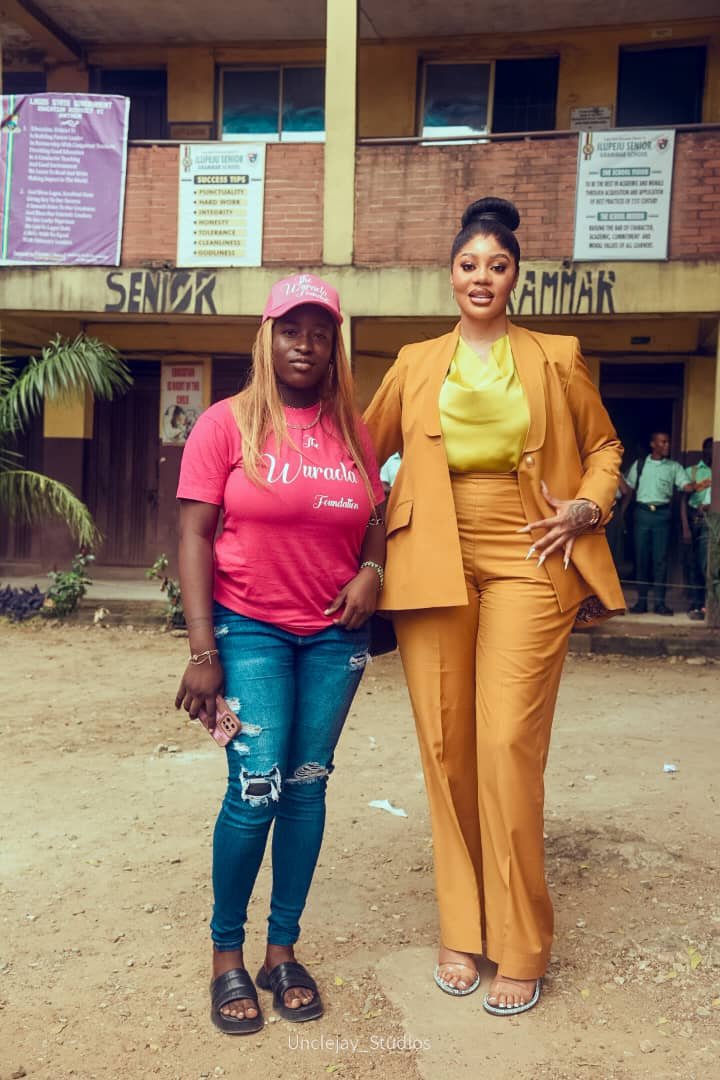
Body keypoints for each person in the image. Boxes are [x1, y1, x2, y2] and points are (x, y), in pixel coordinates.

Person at [364, 196, 625, 1017]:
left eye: (498, 266)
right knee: (446, 748)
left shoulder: (556, 356)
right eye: (469, 264)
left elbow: (605, 446)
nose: (482, 277)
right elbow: (359, 452)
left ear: (516, 277)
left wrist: (587, 506)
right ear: (451, 274)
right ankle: (460, 927)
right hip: (430, 554)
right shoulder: (414, 362)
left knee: (508, 743)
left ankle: (521, 944)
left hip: (531, 548)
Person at [174, 273, 386, 1035]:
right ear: (267, 338)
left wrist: (372, 570)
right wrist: (203, 650)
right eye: (291, 330)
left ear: (334, 348)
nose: (306, 344)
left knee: (305, 786)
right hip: (250, 628)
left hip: (335, 637)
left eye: (320, 333)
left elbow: (373, 516)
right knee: (256, 786)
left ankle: (281, 951)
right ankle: (225, 955)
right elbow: (194, 534)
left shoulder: (352, 430)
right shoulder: (225, 425)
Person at [624, 432, 698, 615]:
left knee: (660, 561)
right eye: (663, 442)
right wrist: (622, 514)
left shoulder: (673, 467)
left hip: (662, 515)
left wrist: (694, 486)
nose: (667, 445)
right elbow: (628, 490)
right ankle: (641, 603)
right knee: (641, 559)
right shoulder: (640, 465)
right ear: (653, 444)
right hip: (642, 514)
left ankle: (660, 603)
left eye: (668, 442)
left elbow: (685, 485)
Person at [681, 436, 713, 619]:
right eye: (709, 449)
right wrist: (685, 526)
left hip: (712, 522)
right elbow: (683, 501)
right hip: (695, 520)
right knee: (693, 563)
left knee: (706, 563)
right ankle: (696, 603)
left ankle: (707, 604)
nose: (712, 452)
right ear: (704, 450)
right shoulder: (692, 471)